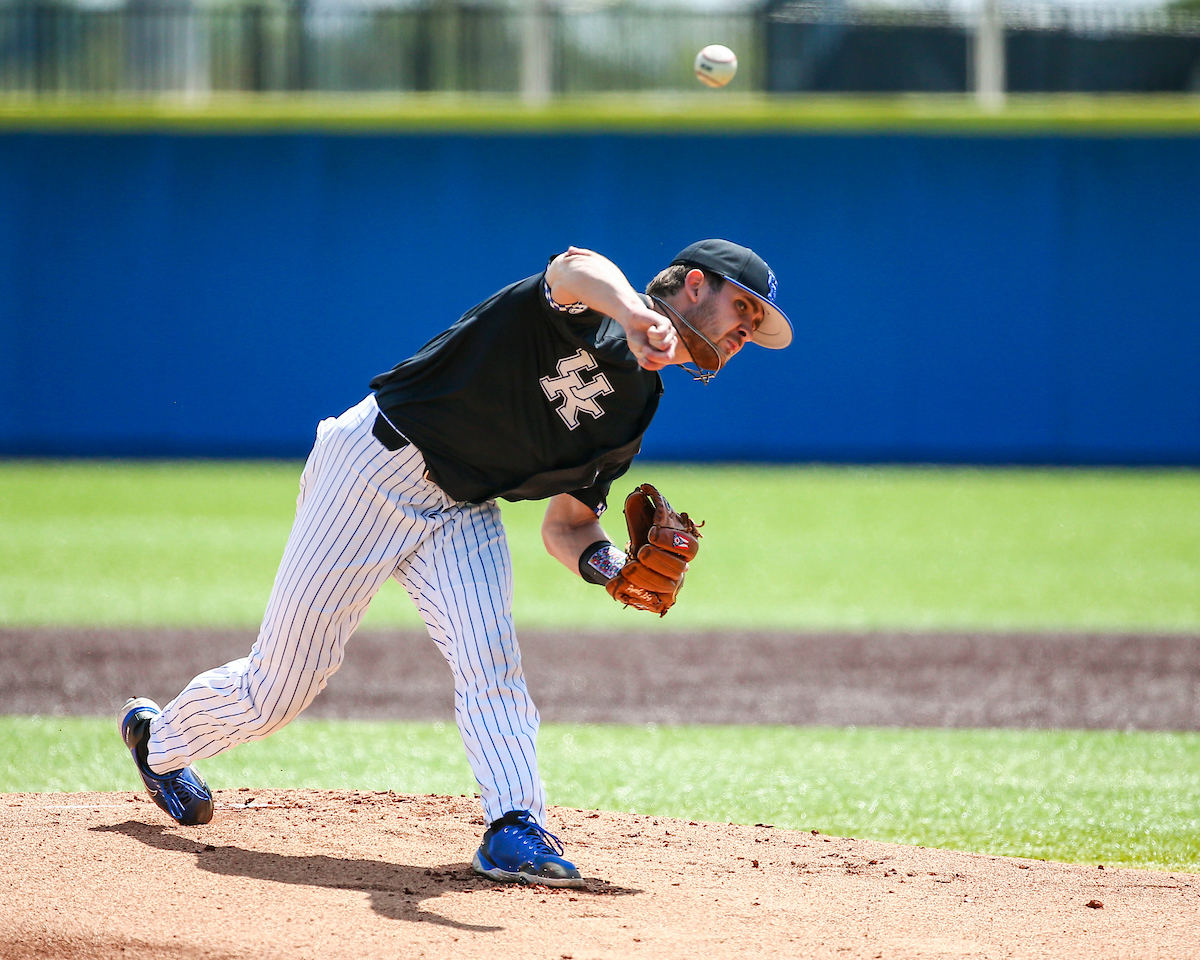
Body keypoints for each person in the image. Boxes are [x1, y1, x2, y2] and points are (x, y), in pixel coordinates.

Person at [119, 239, 792, 887]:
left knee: (490, 660)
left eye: (754, 325)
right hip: (373, 469)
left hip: (460, 508)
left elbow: (568, 526)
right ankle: (158, 742)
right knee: (279, 690)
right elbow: (572, 267)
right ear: (696, 284)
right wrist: (634, 311)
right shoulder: (593, 312)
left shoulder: (637, 409)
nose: (745, 334)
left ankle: (515, 825)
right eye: (744, 310)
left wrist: (612, 568)